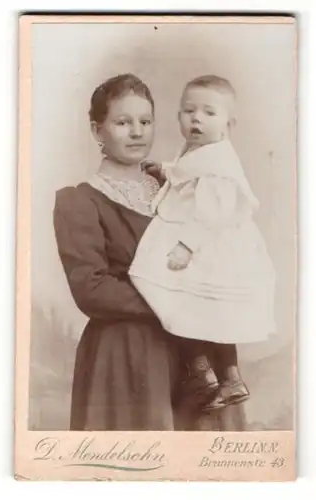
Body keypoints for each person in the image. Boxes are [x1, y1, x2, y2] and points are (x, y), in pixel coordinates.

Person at [129, 74, 276, 412]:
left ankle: (214, 373)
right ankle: (215, 374)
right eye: (188, 110)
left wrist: (186, 245)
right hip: (208, 241)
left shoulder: (220, 165)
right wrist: (166, 171)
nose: (196, 118)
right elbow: (188, 174)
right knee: (200, 309)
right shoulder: (205, 152)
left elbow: (213, 213)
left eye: (209, 112)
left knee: (185, 299)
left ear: (228, 124)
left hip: (211, 243)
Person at [53, 73, 180, 430]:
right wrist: (176, 300)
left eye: (145, 121)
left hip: (190, 348)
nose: (137, 132)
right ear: (97, 131)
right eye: (123, 122)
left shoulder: (175, 188)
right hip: (124, 355)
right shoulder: (79, 201)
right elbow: (92, 289)